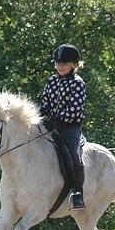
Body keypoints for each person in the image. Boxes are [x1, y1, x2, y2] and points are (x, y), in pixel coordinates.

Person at [39, 43, 87, 210]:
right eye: (58, 63)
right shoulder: (52, 81)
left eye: (64, 63)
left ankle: (77, 193)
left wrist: (58, 119)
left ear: (74, 65)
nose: (60, 66)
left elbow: (75, 109)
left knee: (74, 156)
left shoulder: (77, 83)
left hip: (69, 128)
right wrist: (41, 113)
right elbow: (45, 102)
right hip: (50, 126)